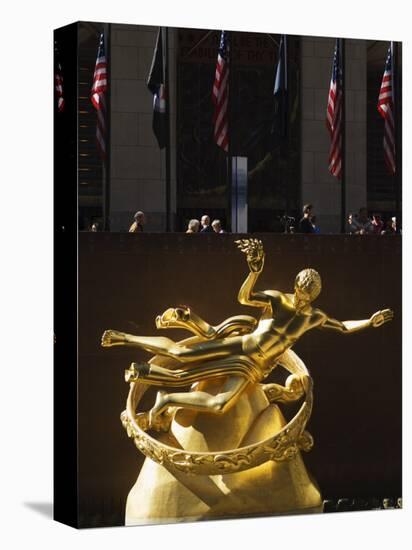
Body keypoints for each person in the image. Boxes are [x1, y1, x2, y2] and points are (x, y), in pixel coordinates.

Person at [102, 239, 393, 426]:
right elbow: (245, 298)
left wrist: (369, 321)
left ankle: (166, 399)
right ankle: (124, 337)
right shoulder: (279, 298)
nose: (302, 297)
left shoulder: (314, 317)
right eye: (301, 291)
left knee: (219, 404)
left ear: (315, 295)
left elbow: (342, 327)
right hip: (240, 345)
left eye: (308, 294)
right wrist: (254, 271)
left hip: (254, 366)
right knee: (180, 353)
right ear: (296, 285)